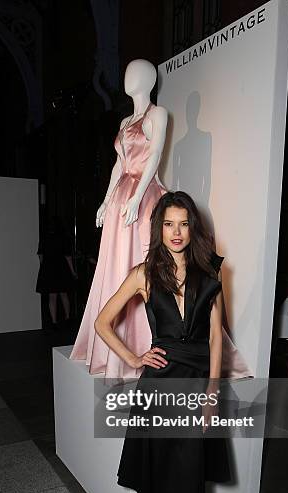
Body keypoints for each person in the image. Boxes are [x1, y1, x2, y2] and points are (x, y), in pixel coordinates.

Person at [94, 191, 233, 493]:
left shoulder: (210, 272)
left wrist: (211, 393)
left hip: (194, 386)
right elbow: (104, 322)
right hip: (157, 385)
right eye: (169, 224)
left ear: (193, 227)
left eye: (184, 223)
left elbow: (216, 339)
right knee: (156, 476)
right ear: (159, 228)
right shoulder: (144, 273)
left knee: (187, 476)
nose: (176, 232)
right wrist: (135, 358)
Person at [70, 59, 168, 376]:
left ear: (149, 79)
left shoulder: (158, 114)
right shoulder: (125, 120)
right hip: (121, 197)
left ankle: (144, 343)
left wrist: (139, 196)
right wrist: (105, 200)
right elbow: (118, 164)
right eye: (127, 72)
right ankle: (113, 346)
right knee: (113, 264)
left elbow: (154, 156)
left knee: (137, 263)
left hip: (143, 197)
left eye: (134, 73)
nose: (128, 78)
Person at [36, 215, 77, 327]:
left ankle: (54, 321)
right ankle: (67, 318)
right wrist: (72, 271)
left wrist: (44, 267)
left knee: (52, 295)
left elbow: (40, 255)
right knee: (63, 293)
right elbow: (67, 256)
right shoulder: (63, 237)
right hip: (61, 267)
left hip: (49, 267)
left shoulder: (44, 237)